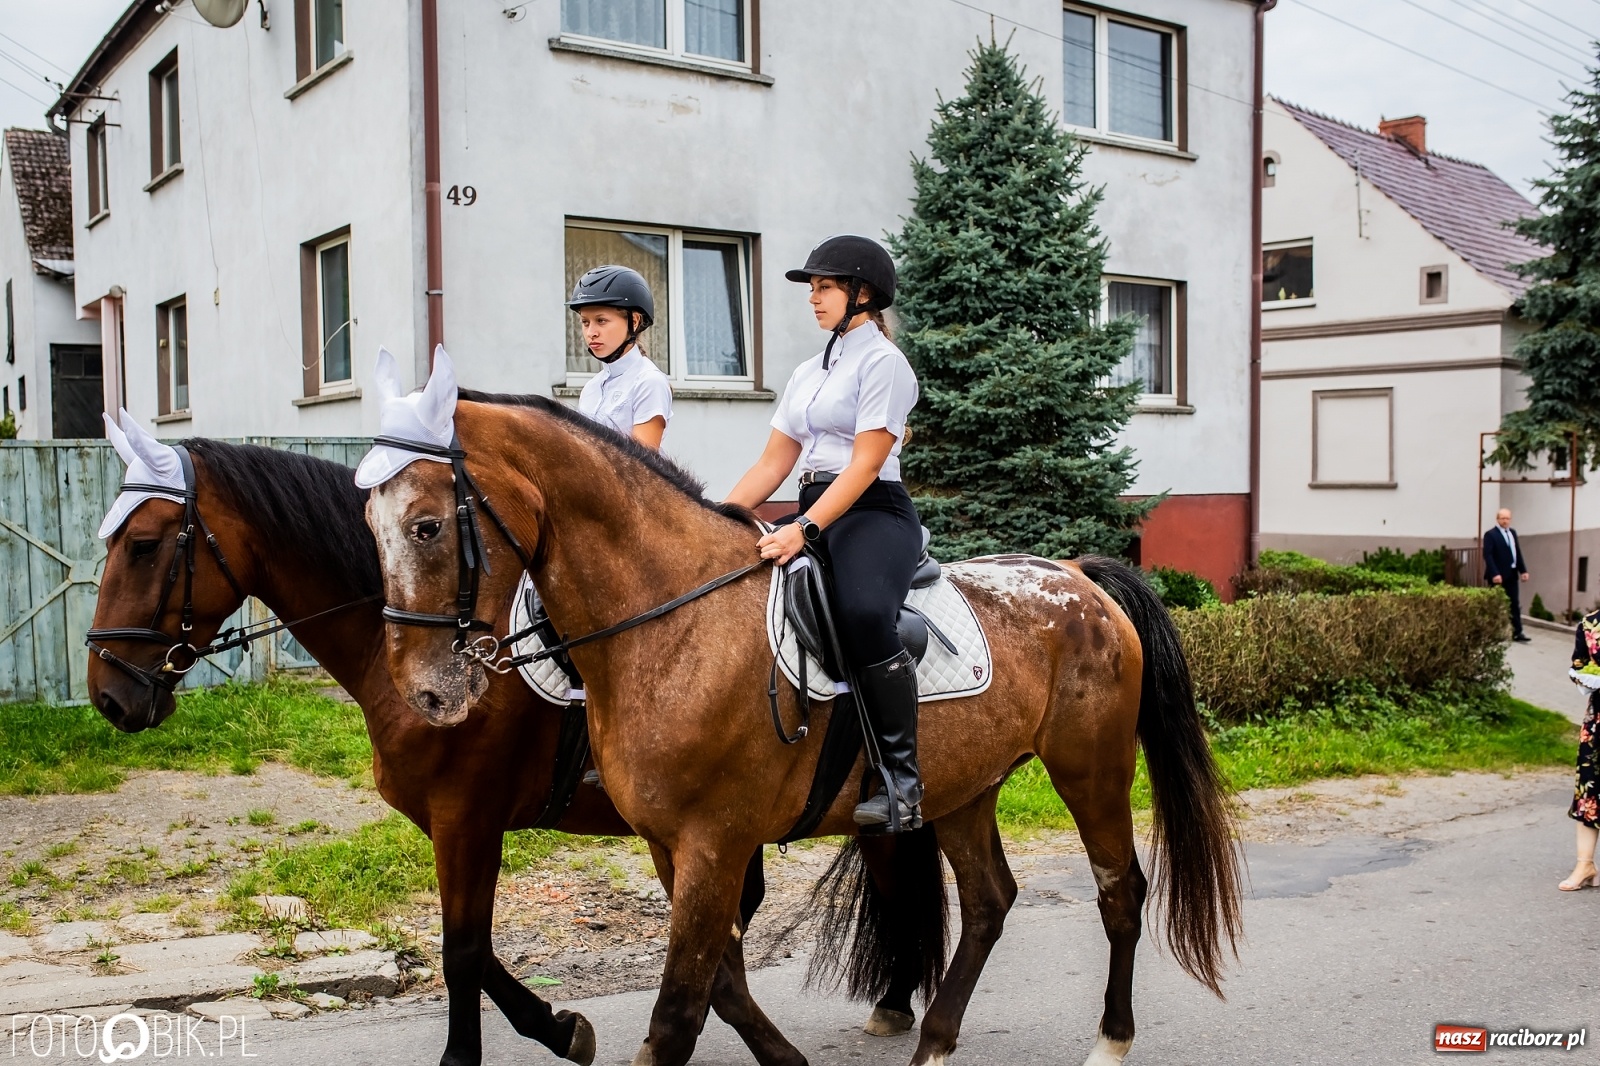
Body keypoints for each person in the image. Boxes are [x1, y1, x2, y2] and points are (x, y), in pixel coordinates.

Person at [724, 235, 923, 832]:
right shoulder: (809, 371)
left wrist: (803, 529)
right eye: (812, 289)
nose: (814, 298)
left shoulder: (885, 364)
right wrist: (718, 515)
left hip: (873, 512)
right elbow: (773, 464)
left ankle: (900, 781)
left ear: (862, 295)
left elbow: (865, 465)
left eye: (825, 287)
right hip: (816, 507)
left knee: (864, 613)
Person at [568, 265, 672, 448]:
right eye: (585, 322)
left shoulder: (649, 382)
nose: (591, 332)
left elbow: (641, 468)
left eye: (601, 321)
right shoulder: (591, 388)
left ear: (634, 321)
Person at [1563, 609, 1600, 890]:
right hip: (1598, 722)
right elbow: (1579, 666)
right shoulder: (1590, 624)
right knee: (1589, 789)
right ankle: (1584, 864)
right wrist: (1583, 677)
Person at [1483, 508, 1531, 643]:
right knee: (1495, 604)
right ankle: (1492, 632)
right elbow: (1488, 555)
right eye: (1503, 518)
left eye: (1507, 518)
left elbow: (1517, 553)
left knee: (1514, 603)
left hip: (1511, 574)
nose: (1505, 521)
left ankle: (1517, 632)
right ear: (1497, 519)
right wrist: (1495, 573)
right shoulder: (1490, 535)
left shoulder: (1512, 533)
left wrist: (1523, 571)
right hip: (1498, 576)